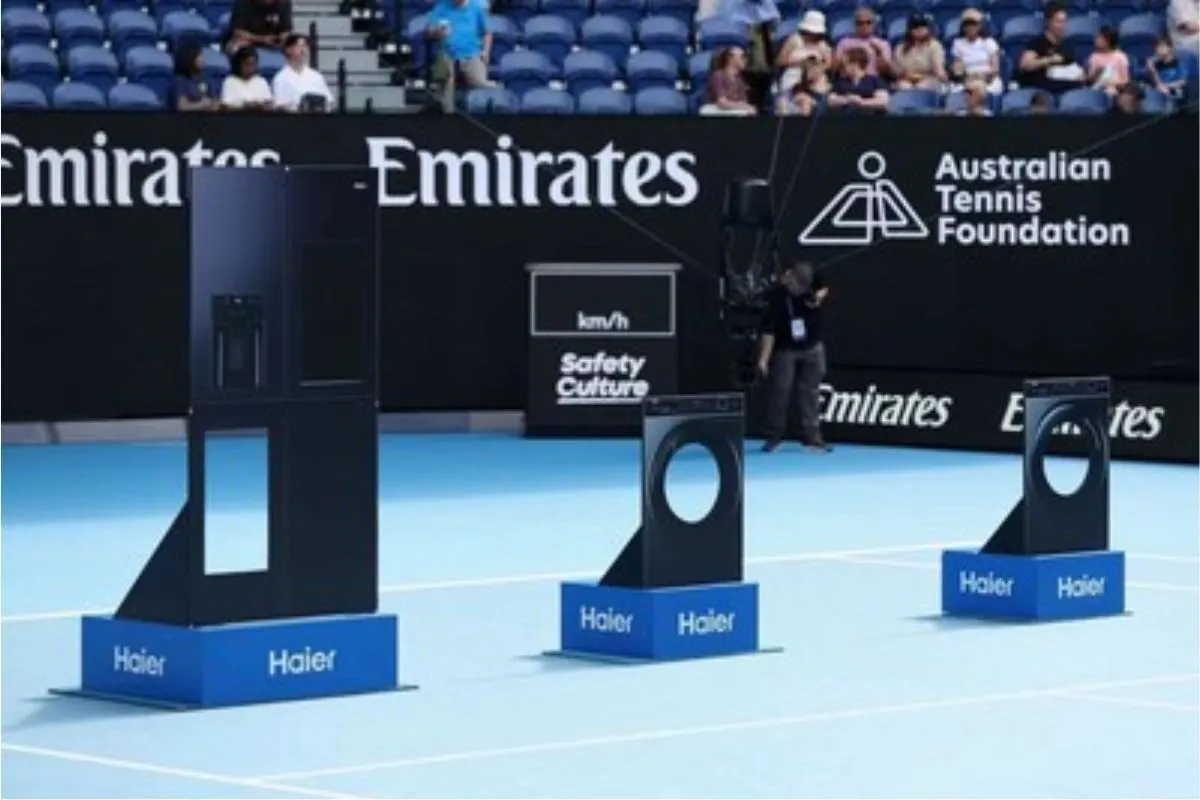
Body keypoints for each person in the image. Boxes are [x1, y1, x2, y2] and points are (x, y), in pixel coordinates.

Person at [756, 263, 831, 453]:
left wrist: (819, 297)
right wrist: (763, 359)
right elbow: (768, 331)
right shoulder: (776, 297)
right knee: (781, 391)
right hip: (786, 349)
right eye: (797, 287)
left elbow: (825, 288)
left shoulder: (814, 280)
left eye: (803, 289)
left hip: (813, 346)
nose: (799, 291)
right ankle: (774, 436)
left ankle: (813, 437)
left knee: (811, 392)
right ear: (789, 278)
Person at [426, 0, 492, 113]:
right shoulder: (441, 8)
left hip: (471, 53)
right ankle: (448, 114)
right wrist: (438, 33)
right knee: (447, 75)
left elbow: (487, 33)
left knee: (480, 82)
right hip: (447, 53)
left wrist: (485, 52)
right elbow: (429, 33)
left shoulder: (476, 9)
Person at [1017, 5, 1084, 94]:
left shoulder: (1068, 44)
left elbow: (1074, 68)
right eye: (1058, 22)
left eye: (1064, 22)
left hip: (1066, 90)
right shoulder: (1038, 42)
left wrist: (1080, 75)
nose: (1062, 26)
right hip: (1041, 90)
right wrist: (1049, 60)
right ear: (1048, 22)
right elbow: (1025, 65)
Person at [271, 33, 333, 111]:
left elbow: (328, 101)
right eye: (299, 46)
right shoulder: (281, 78)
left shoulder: (317, 76)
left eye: (305, 46)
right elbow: (280, 106)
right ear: (288, 50)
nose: (303, 50)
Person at [226, 0, 292, 54]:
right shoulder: (242, 3)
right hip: (247, 39)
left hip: (272, 42)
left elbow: (286, 30)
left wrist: (283, 38)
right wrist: (262, 39)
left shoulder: (284, 3)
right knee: (240, 47)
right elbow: (238, 32)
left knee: (294, 46)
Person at [173, 44, 218, 111]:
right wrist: (201, 105)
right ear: (189, 58)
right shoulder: (181, 80)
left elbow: (215, 101)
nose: (203, 59)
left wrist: (214, 105)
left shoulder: (206, 78)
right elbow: (182, 106)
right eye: (199, 56)